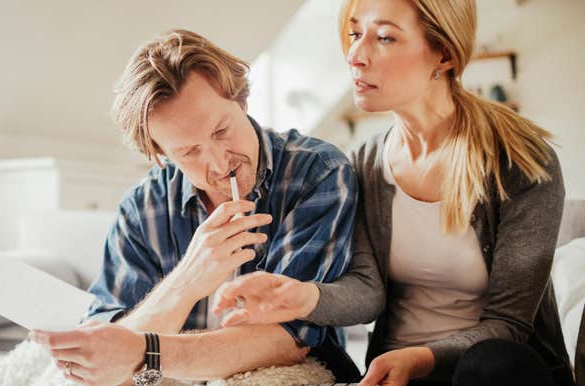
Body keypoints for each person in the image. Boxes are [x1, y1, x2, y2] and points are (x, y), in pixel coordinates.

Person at [212, 1, 575, 385]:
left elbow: (509, 323)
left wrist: (421, 358)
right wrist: (301, 296)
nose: (355, 54)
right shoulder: (366, 163)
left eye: (385, 37)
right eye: (355, 34)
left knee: (494, 365)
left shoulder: (520, 160)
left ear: (445, 54)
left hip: (490, 372)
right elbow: (369, 290)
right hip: (396, 372)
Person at [30, 29, 359, 385]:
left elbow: (290, 340)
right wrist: (187, 281)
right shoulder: (142, 208)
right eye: (188, 152)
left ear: (243, 102)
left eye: (221, 131)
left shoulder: (316, 174)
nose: (219, 163)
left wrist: (143, 353)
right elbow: (107, 348)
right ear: (160, 155)